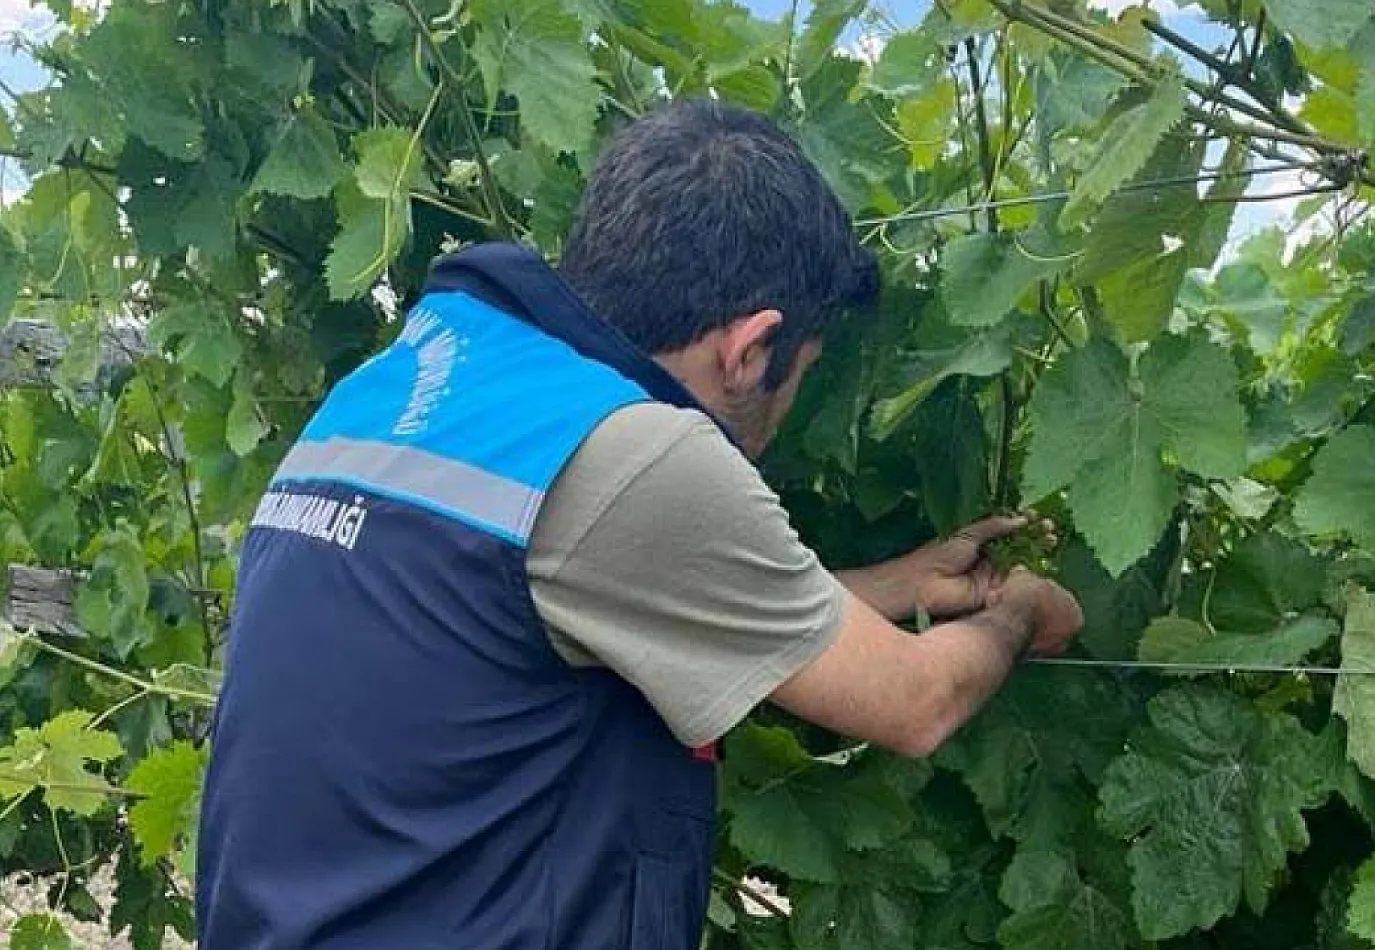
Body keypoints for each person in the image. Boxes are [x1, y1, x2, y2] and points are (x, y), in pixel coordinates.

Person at [194, 98, 1084, 950]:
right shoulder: (630, 451)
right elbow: (915, 702)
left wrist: (895, 584)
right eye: (803, 368)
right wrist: (1021, 612)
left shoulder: (414, 382)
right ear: (750, 349)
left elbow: (587, 589)